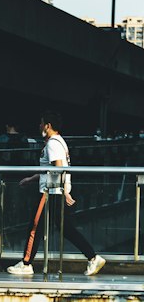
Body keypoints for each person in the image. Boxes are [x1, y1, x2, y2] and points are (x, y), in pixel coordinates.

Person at [6, 113, 105, 277]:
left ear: (48, 125)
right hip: (54, 190)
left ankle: (26, 263)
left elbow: (58, 168)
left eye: (41, 123)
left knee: (35, 227)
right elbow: (53, 169)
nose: (39, 126)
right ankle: (93, 257)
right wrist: (32, 179)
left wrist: (64, 190)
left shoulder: (52, 144)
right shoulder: (59, 142)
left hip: (49, 192)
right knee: (65, 228)